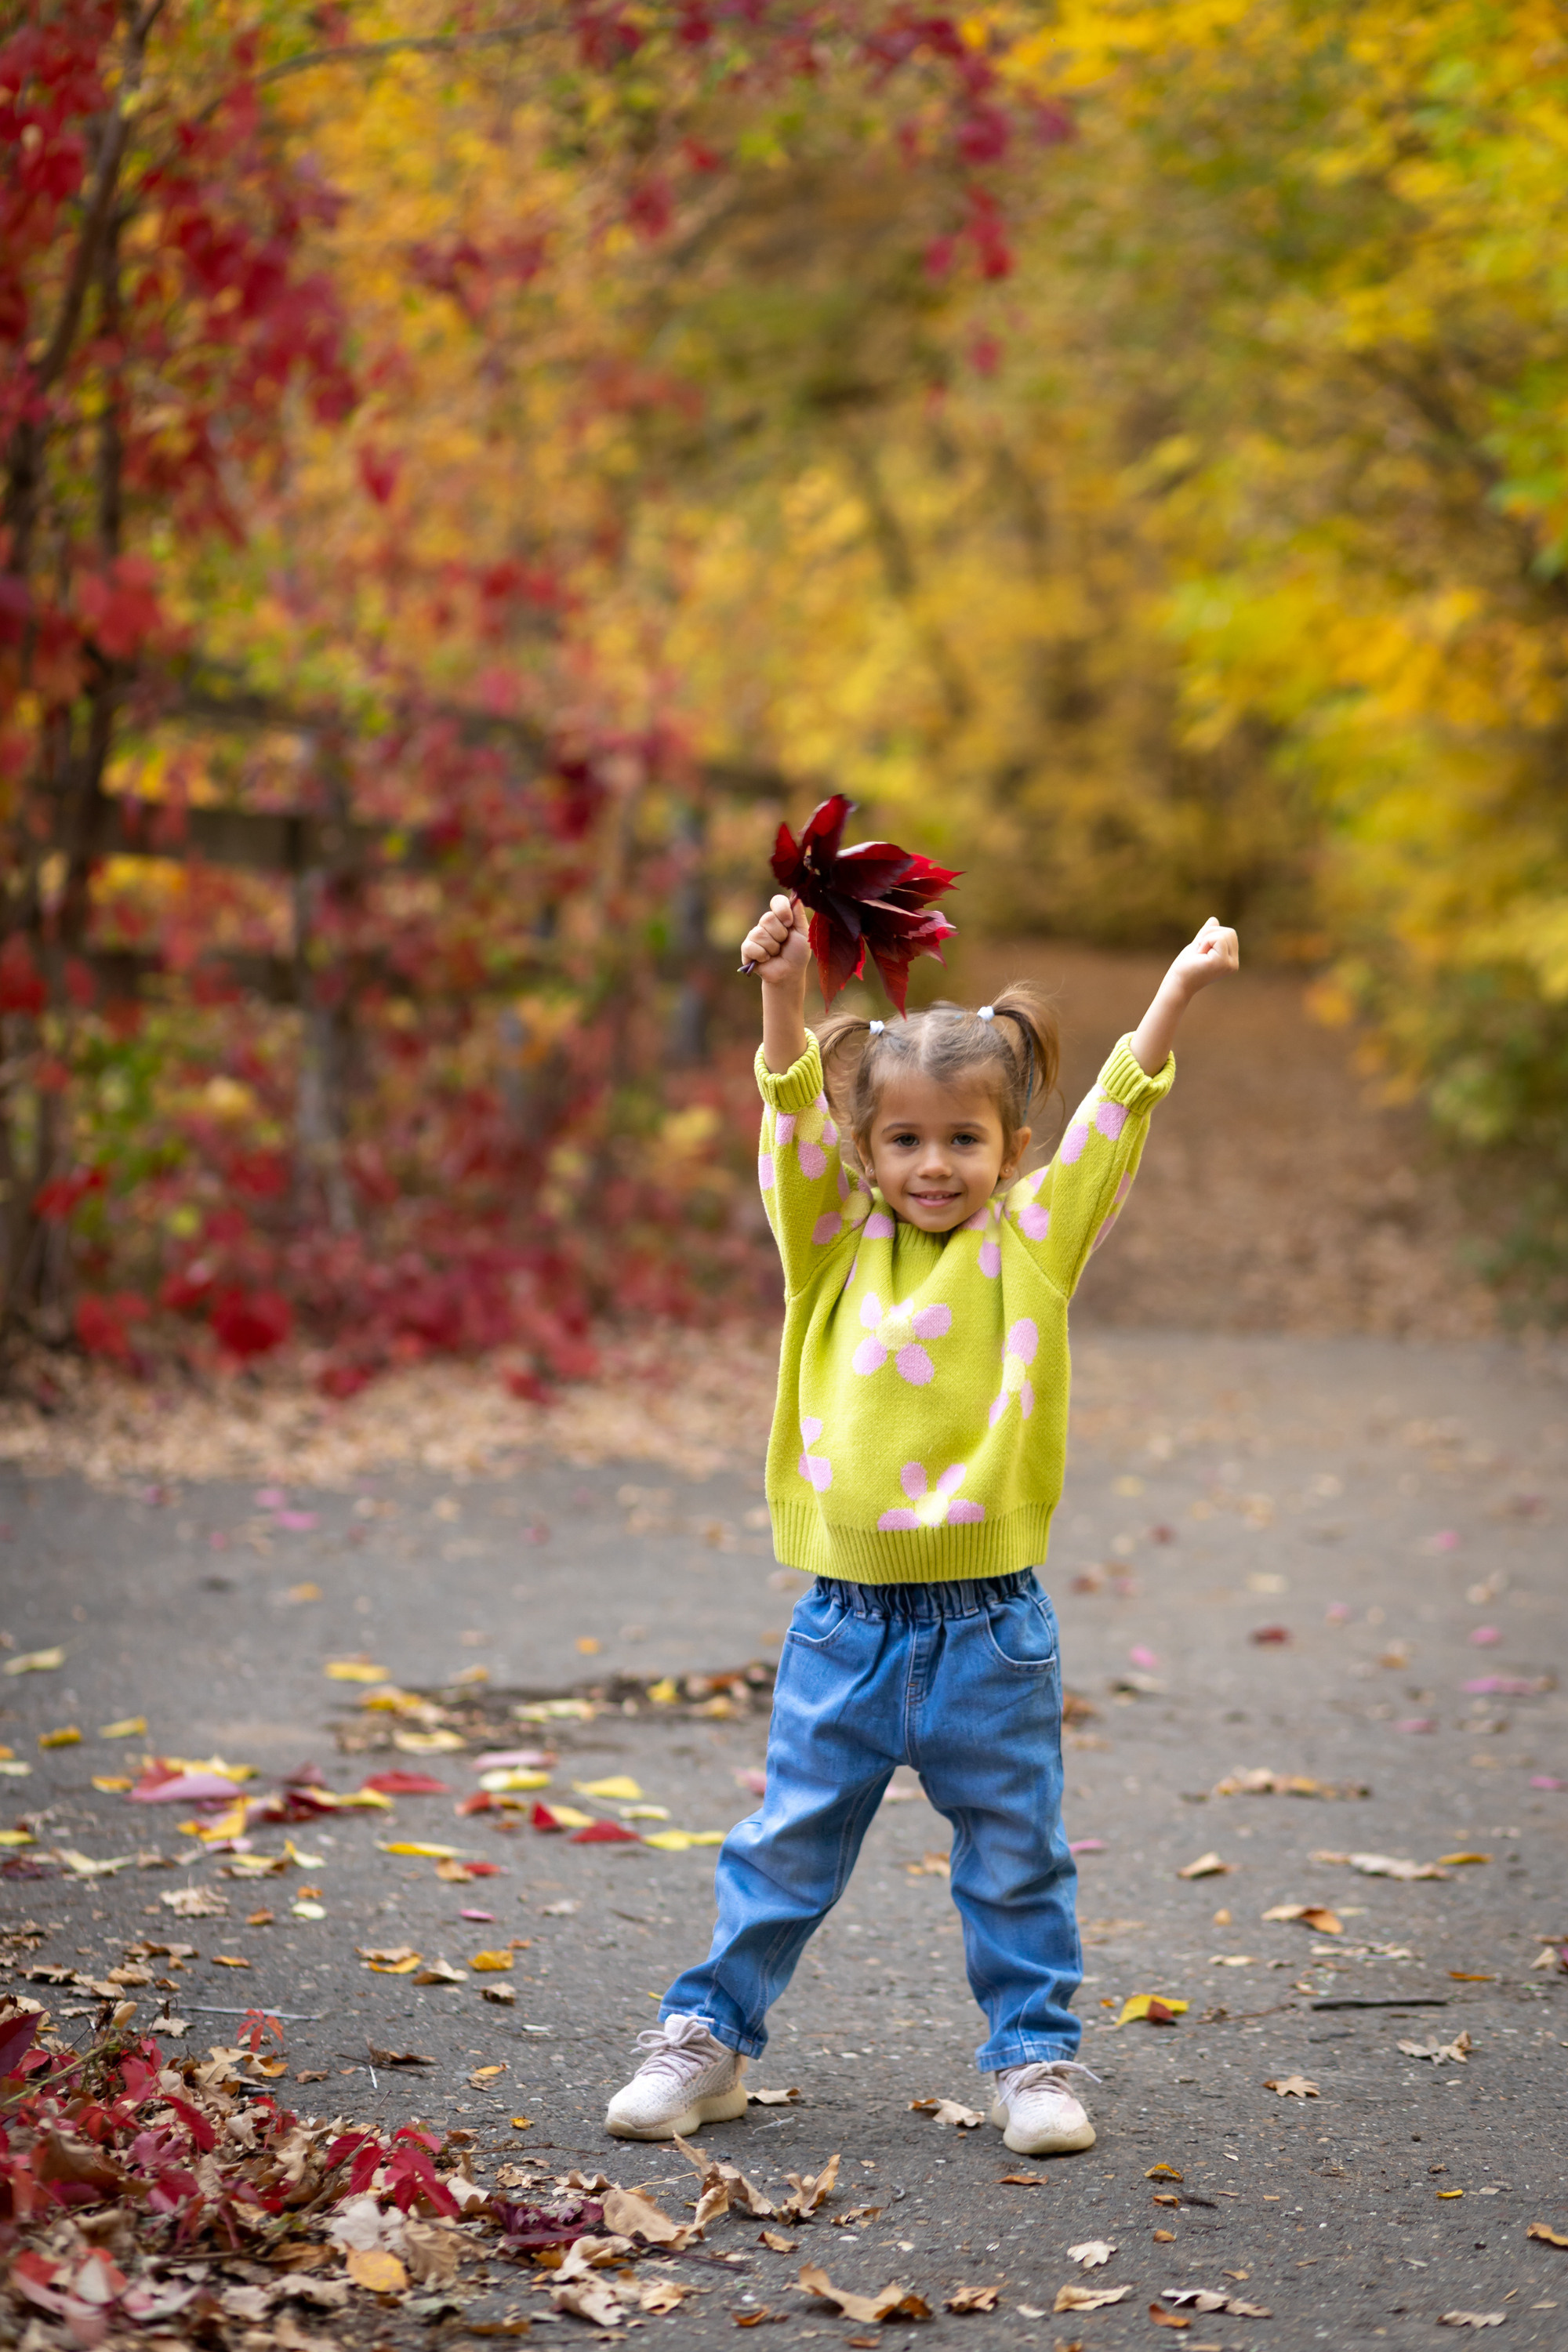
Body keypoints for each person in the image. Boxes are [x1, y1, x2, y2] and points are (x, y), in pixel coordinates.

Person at [605, 892, 1239, 2152]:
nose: (935, 1164)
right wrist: (781, 995)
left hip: (992, 1629)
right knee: (782, 1851)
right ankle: (709, 2042)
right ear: (866, 1146)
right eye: (903, 1140)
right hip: (844, 1627)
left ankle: (1035, 2063)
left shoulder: (1034, 1246)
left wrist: (1171, 997)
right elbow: (787, 1115)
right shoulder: (830, 1249)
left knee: (1015, 1860)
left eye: (965, 1138)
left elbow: (1115, 1124)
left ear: (1010, 1147)